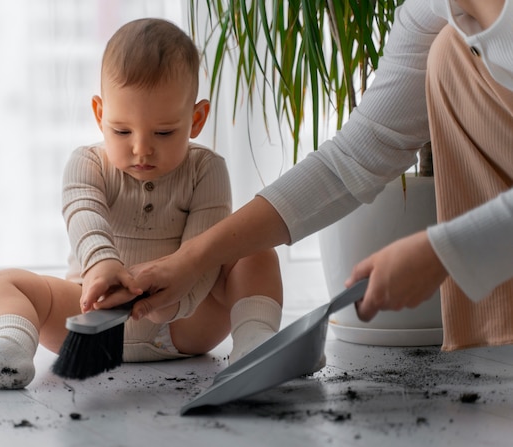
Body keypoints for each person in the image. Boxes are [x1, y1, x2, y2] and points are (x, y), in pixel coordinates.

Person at [96, 0, 513, 353]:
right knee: (449, 54)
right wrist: (190, 260)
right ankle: (496, 346)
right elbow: (354, 158)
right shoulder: (431, 9)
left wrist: (443, 253)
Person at [0, 18, 283, 389]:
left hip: (184, 323)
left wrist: (172, 302)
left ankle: (255, 344)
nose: (141, 148)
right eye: (122, 130)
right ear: (100, 115)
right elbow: (84, 214)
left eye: (164, 132)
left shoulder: (206, 170)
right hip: (89, 317)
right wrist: (101, 264)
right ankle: (8, 350)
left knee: (255, 251)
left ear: (195, 120)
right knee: (2, 283)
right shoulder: (86, 163)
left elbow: (203, 253)